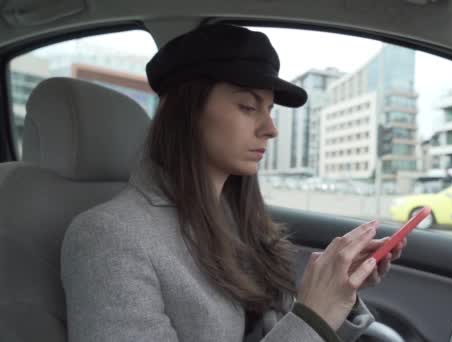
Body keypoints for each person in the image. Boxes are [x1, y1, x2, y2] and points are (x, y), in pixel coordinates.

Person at [61, 23, 405, 342]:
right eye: (247, 107)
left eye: (269, 109)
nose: (271, 128)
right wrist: (312, 315)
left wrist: (337, 293)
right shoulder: (109, 238)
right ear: (188, 113)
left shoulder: (236, 218)